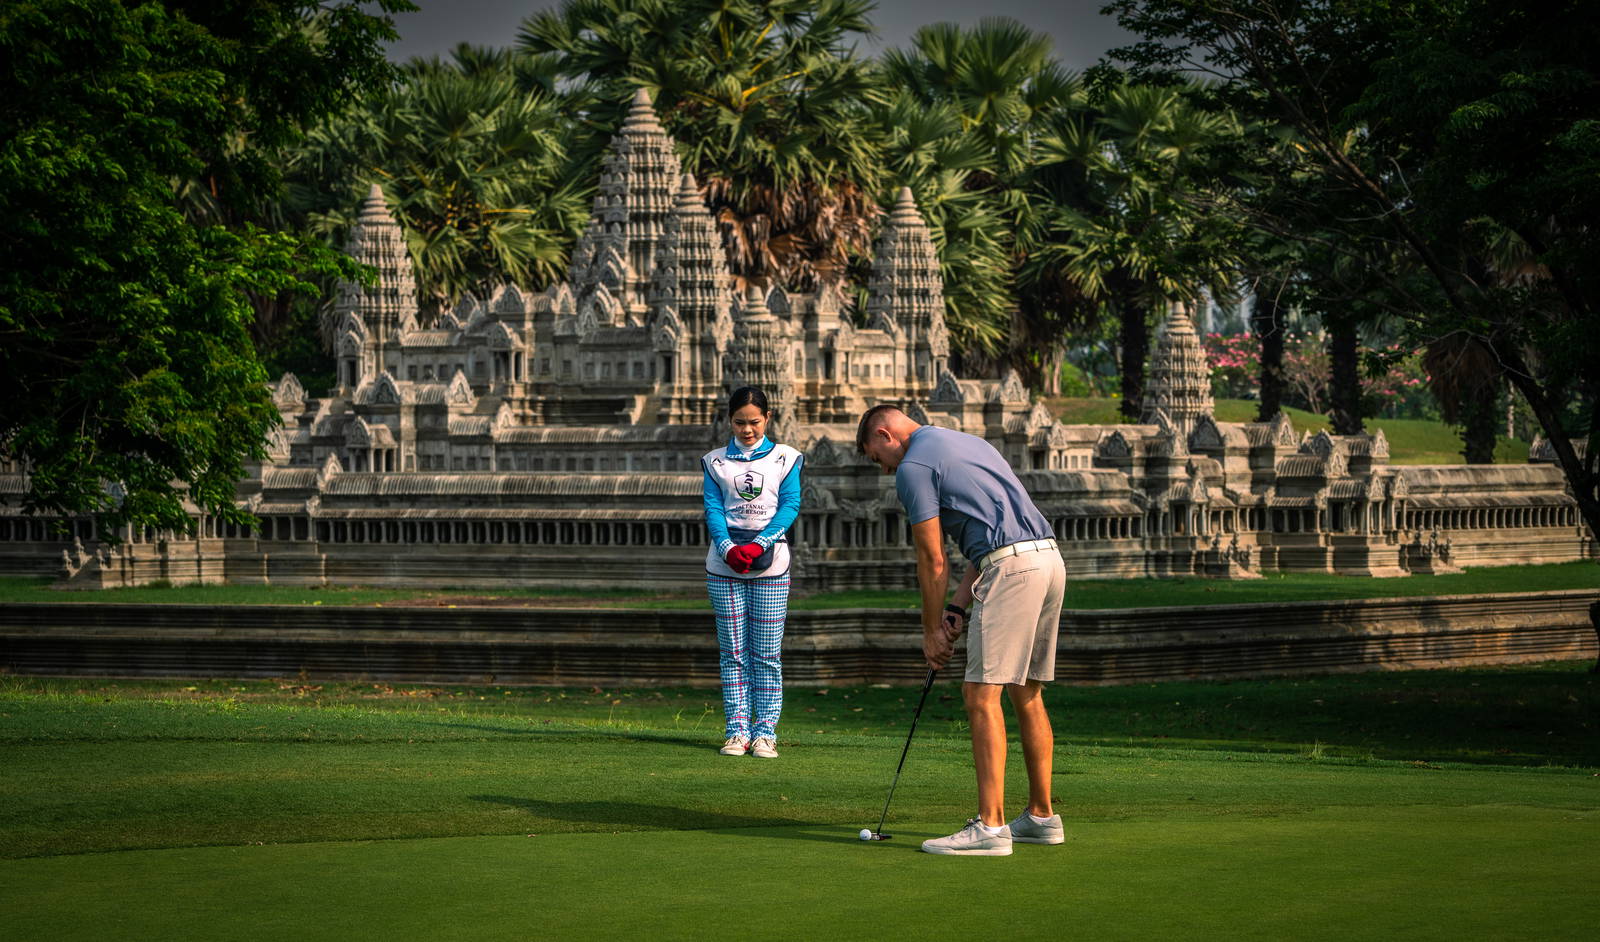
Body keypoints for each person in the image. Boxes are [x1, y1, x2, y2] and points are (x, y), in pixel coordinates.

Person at [856, 404, 1066, 856]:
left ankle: (990, 827)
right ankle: (1041, 817)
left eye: (876, 457)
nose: (882, 467)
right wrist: (957, 604)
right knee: (1025, 690)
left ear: (884, 434)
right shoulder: (970, 443)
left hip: (1011, 571)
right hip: (1048, 560)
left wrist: (931, 631)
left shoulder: (912, 467)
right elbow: (989, 534)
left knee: (980, 693)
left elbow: (932, 560)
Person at [701, 386, 803, 758]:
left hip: (771, 565)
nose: (747, 429)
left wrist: (760, 544)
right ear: (730, 420)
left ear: (768, 418)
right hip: (723, 565)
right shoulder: (714, 461)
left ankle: (765, 732)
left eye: (754, 422)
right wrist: (728, 548)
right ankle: (737, 729)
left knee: (766, 653)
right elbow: (713, 508)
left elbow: (790, 505)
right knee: (732, 651)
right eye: (740, 422)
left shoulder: (786, 458)